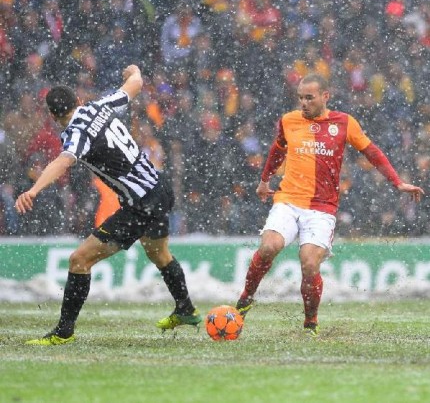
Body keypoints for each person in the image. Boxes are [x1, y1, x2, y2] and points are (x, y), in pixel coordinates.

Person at [15, 64, 202, 345]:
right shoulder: (99, 106)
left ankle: (63, 333)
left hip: (140, 203)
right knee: (160, 254)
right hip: (160, 188)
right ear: (78, 100)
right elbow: (134, 84)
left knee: (79, 260)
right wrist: (134, 70)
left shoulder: (76, 132)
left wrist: (33, 190)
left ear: (53, 116)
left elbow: (64, 161)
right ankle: (186, 309)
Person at [235, 73, 424, 335]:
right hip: (288, 199)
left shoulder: (344, 123)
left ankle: (310, 322)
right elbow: (278, 150)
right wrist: (264, 180)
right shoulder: (289, 121)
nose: (304, 103)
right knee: (269, 246)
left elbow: (371, 152)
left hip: (322, 208)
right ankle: (245, 299)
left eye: (309, 98)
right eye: (300, 98)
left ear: (325, 96)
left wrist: (397, 182)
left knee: (309, 263)